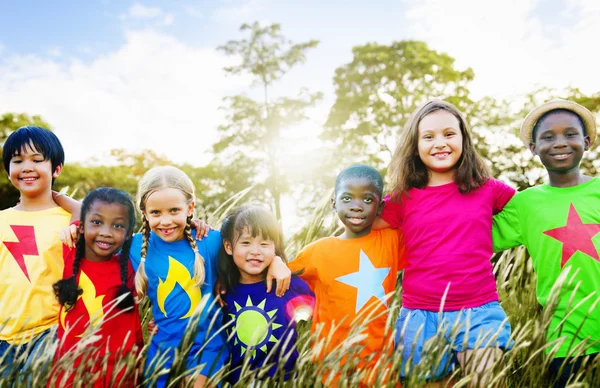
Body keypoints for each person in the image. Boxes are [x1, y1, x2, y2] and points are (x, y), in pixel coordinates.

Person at [377, 100, 515, 384]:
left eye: (449, 134)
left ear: (464, 138)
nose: (440, 143)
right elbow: (359, 228)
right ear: (415, 146)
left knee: (486, 380)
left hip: (478, 309)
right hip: (421, 315)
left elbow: (530, 211)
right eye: (428, 137)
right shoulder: (403, 198)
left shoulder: (487, 188)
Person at [492, 99, 599, 387]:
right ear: (533, 148)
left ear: (586, 142)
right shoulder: (524, 204)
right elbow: (473, 237)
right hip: (566, 341)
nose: (560, 143)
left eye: (570, 134)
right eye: (548, 137)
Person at [288, 164, 406, 385]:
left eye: (368, 200)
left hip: (379, 364)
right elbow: (282, 280)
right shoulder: (317, 251)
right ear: (334, 203)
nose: (357, 207)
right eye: (347, 198)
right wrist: (276, 262)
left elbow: (417, 208)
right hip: (332, 364)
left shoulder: (391, 239)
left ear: (381, 206)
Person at [129, 166, 228, 387]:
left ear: (190, 207)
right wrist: (75, 228)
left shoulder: (210, 241)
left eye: (174, 210)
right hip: (162, 347)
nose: (165, 221)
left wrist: (277, 262)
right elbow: (94, 249)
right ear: (144, 213)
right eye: (156, 213)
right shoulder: (136, 248)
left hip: (207, 346)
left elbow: (253, 251)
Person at [0, 126, 76, 378]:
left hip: (49, 333)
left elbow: (108, 218)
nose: (26, 167)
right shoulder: (2, 219)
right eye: (17, 160)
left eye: (37, 160)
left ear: (56, 169)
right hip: (2, 335)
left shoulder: (71, 220)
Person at [50, 187, 143, 387]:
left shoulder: (129, 265)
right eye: (97, 222)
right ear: (82, 226)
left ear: (128, 235)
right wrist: (52, 194)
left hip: (116, 374)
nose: (106, 233)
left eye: (117, 226)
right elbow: (78, 208)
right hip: (70, 373)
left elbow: (133, 324)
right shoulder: (71, 249)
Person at [218, 205, 314, 385]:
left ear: (275, 247)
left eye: (264, 244)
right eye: (246, 243)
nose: (256, 251)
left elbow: (320, 318)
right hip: (241, 382)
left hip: (285, 381)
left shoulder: (288, 285)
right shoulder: (223, 291)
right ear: (229, 247)